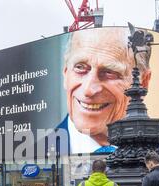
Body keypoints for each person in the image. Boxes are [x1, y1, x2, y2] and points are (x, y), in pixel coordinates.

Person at [59, 27, 152, 155]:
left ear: (144, 82)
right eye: (80, 68)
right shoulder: (33, 152)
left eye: (109, 73)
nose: (88, 90)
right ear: (66, 74)